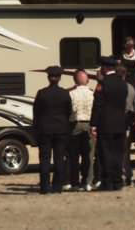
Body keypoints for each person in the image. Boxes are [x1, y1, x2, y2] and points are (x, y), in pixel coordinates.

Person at [91, 57, 130, 191]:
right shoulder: (123, 83)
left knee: (105, 154)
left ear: (105, 68)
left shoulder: (102, 83)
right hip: (120, 123)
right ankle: (118, 181)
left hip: (105, 124)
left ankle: (107, 182)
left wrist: (93, 124)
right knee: (118, 154)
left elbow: (98, 105)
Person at [33, 66, 72, 194]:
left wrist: (36, 129)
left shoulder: (41, 93)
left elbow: (36, 113)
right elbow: (69, 111)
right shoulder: (65, 93)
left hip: (44, 130)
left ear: (48, 78)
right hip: (61, 129)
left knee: (44, 160)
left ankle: (45, 187)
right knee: (59, 159)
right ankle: (57, 187)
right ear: (60, 78)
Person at [68, 70, 96, 191]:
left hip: (75, 124)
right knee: (89, 155)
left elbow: (70, 110)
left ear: (74, 80)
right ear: (87, 80)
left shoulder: (71, 94)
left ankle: (74, 182)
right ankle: (88, 181)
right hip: (89, 124)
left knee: (73, 156)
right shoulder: (92, 93)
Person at [117, 64, 135, 187]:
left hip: (117, 121)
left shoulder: (115, 87)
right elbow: (133, 106)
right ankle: (129, 175)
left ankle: (122, 175)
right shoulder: (131, 88)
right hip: (127, 122)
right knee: (126, 151)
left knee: (117, 151)